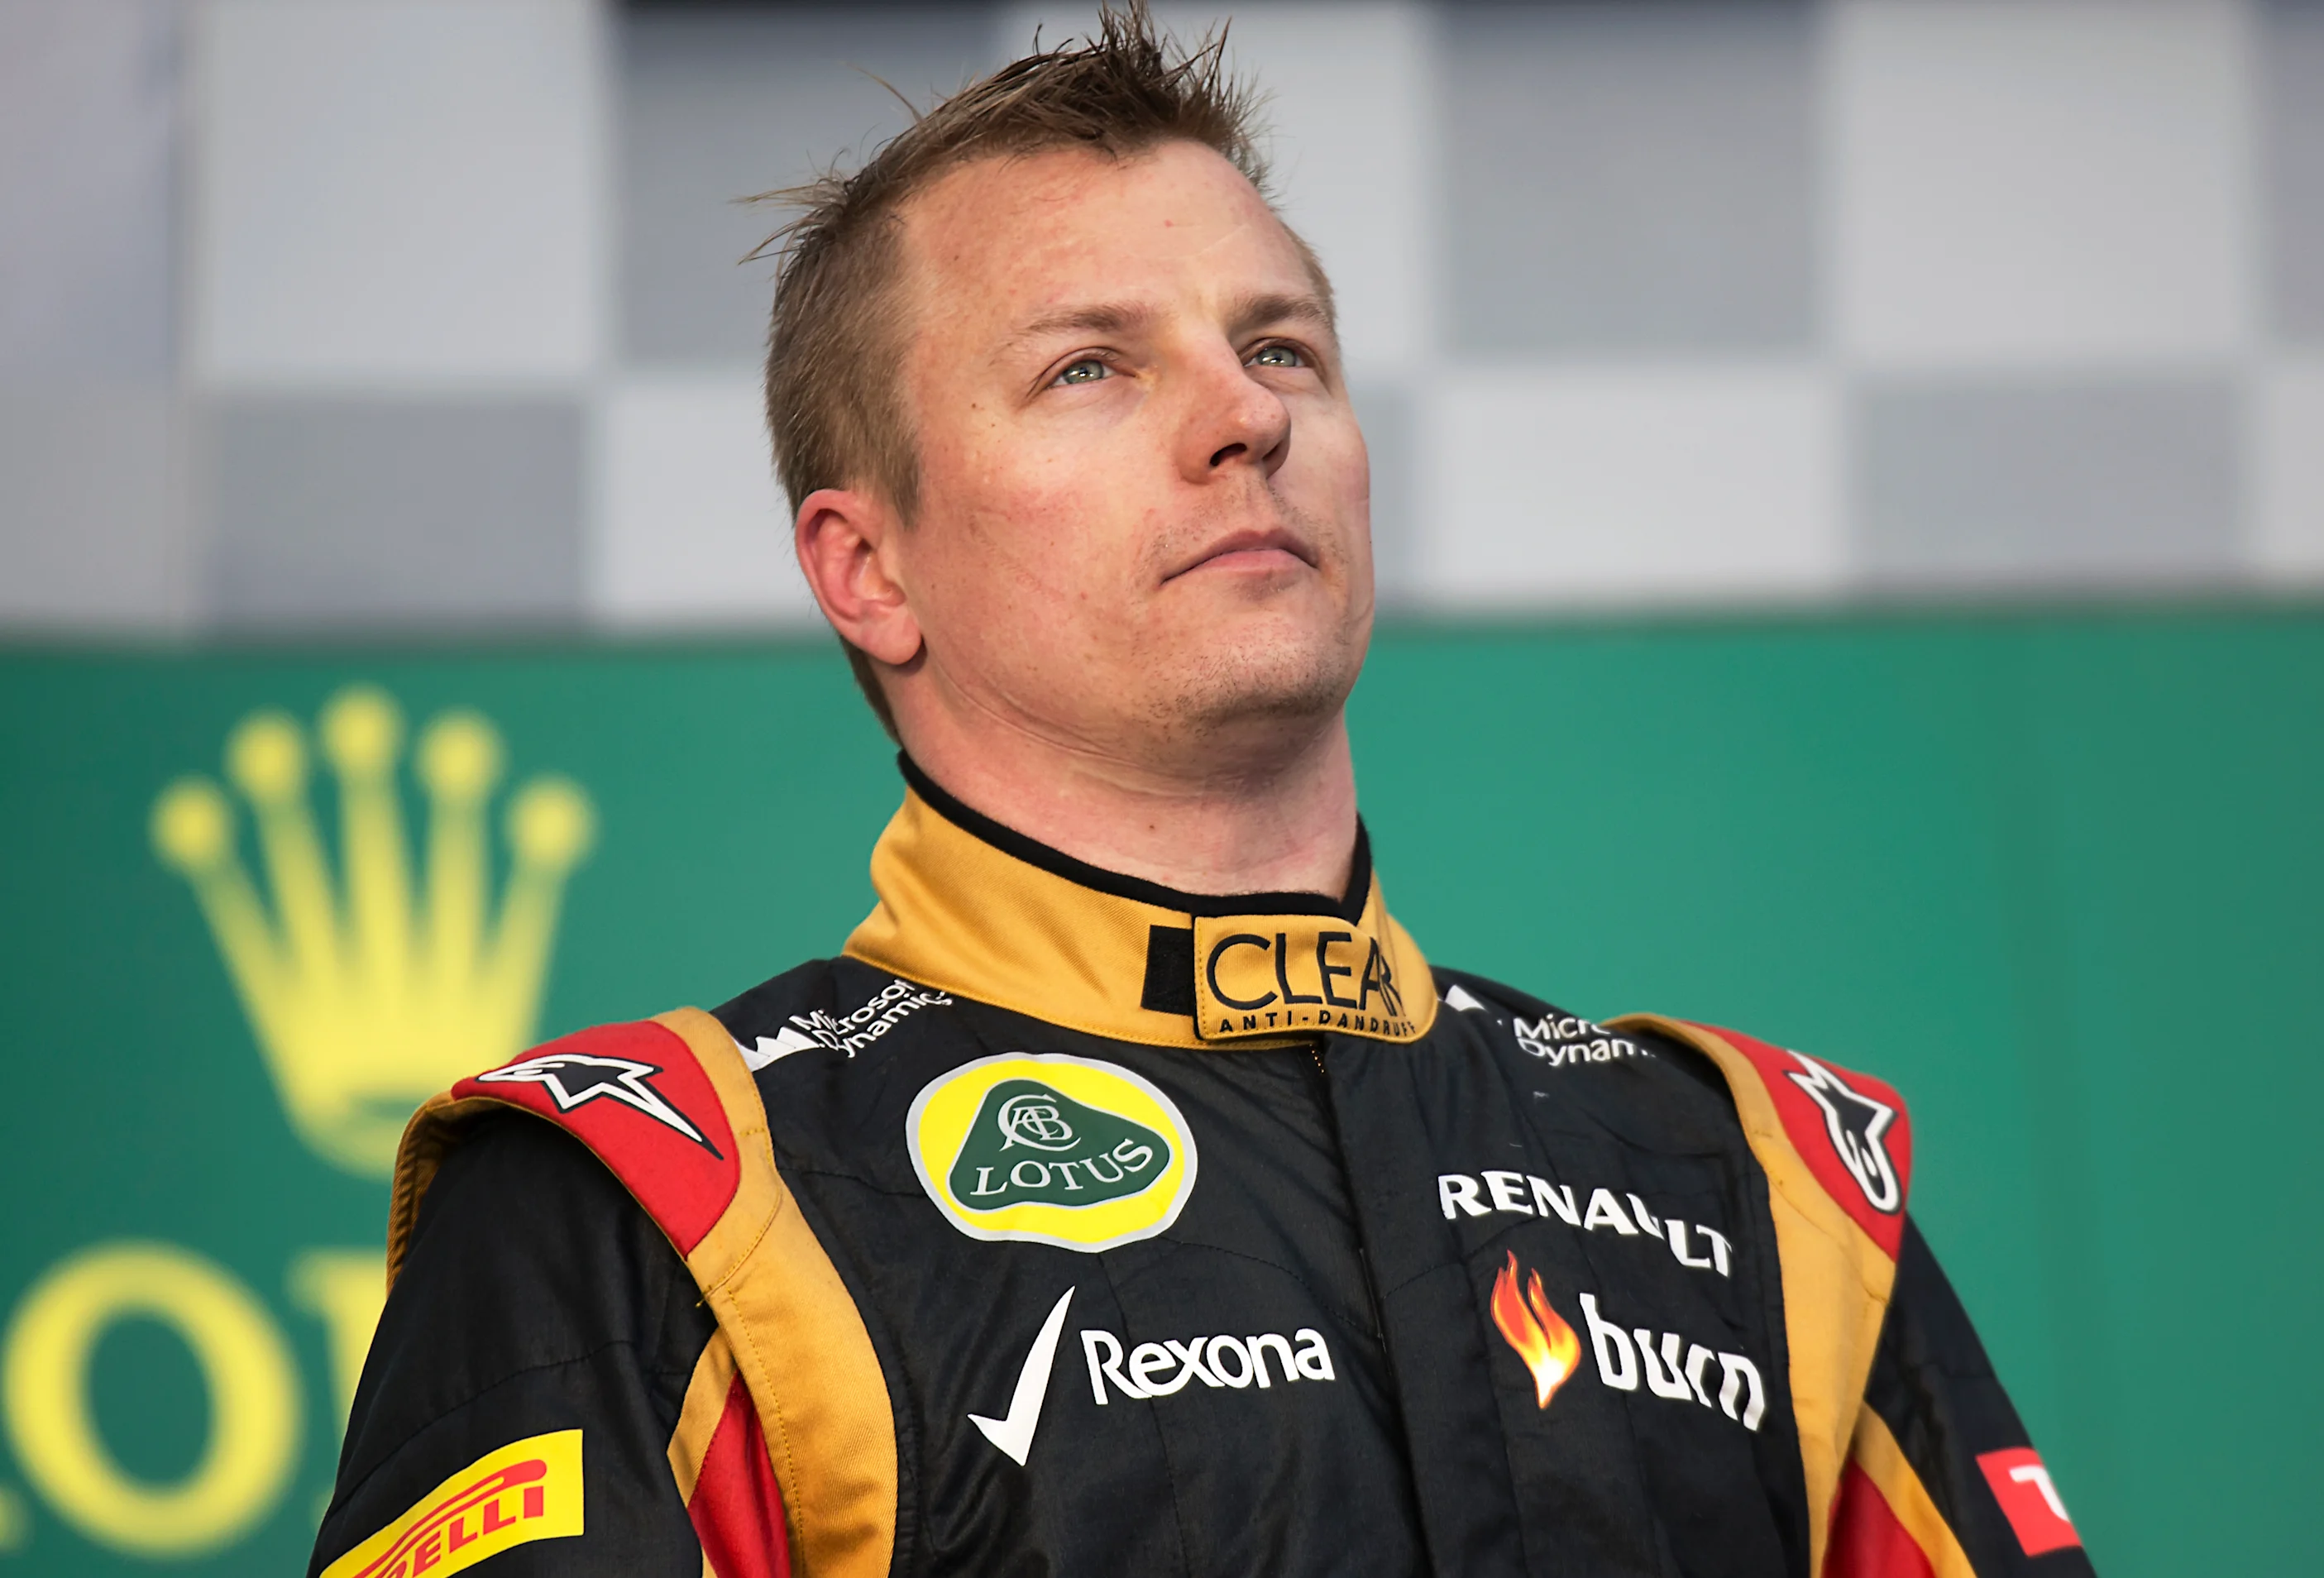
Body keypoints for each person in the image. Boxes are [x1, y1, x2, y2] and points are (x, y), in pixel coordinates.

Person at [309, 7, 2092, 1576]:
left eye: (1283, 347)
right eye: (1090, 365)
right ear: (869, 570)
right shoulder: (663, 1209)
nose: (1243, 419)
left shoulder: (1752, 1189)